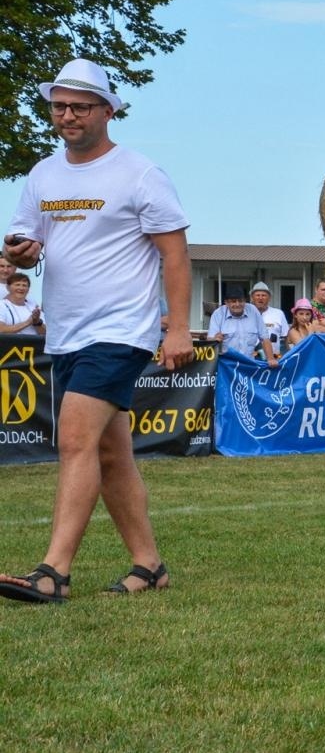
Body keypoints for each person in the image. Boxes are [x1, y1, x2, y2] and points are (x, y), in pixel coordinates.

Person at [1, 59, 193, 604]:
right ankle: (149, 565)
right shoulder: (42, 174)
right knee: (110, 454)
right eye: (59, 106)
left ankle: (53, 571)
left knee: (76, 440)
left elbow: (175, 255)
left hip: (120, 330)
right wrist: (19, 249)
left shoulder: (140, 174)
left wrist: (177, 328)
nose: (67, 116)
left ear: (109, 111)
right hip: (65, 331)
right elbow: (23, 238)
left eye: (80, 107)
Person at [208, 284, 277, 366]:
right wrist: (215, 339)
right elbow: (210, 341)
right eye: (233, 301)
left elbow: (264, 337)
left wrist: (271, 359)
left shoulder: (253, 310)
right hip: (226, 366)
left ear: (245, 301)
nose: (237, 304)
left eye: (240, 301)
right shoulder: (218, 314)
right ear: (226, 303)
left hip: (249, 365)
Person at [249, 281, 288, 359]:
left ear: (269, 298)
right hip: (250, 360)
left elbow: (286, 337)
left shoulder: (278, 313)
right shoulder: (245, 313)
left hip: (274, 359)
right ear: (252, 298)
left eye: (264, 295)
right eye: (257, 295)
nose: (260, 298)